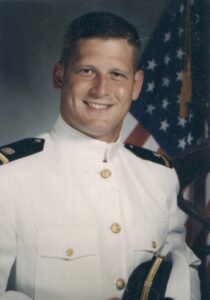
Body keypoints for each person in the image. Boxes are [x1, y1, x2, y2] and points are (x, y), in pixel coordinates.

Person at [0, 11, 201, 300]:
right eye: (86, 71)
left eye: (117, 74)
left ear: (136, 85)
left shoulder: (159, 176)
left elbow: (182, 267)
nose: (101, 89)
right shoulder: (8, 178)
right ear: (59, 76)